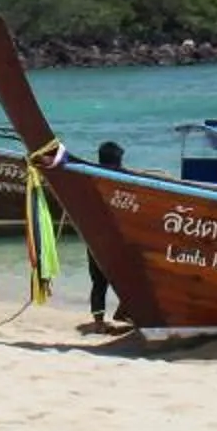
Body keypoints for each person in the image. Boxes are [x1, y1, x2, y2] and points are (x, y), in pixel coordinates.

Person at [82, 140, 128, 330]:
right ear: (117, 161)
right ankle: (124, 312)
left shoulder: (90, 178)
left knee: (99, 282)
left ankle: (99, 322)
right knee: (128, 278)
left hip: (94, 238)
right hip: (114, 239)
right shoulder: (123, 179)